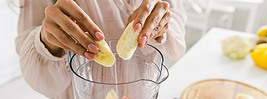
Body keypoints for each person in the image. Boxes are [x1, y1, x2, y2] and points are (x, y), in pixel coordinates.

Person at [16, 0, 186, 98]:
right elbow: (37, 76)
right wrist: (49, 40)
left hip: (140, 91)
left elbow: (176, 36)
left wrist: (159, 26)